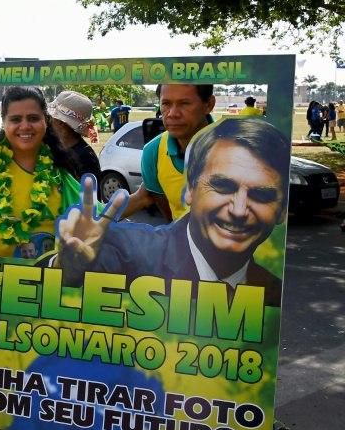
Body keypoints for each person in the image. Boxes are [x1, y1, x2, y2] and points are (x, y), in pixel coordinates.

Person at [57, 117, 287, 307]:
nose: (239, 210)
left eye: (261, 195)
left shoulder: (271, 295)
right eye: (223, 186)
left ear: (282, 210)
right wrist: (66, 268)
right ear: (189, 190)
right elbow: (56, 286)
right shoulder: (129, 250)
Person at [0, 85, 82, 258]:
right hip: (0, 281)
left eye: (33, 118)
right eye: (15, 119)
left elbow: (96, 215)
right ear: (4, 123)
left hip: (51, 279)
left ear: (46, 120)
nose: (25, 126)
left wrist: (138, 198)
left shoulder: (60, 169)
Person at [121, 84, 215, 221]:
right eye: (166, 104)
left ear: (209, 105)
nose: (172, 114)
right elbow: (165, 214)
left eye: (185, 103)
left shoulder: (239, 148)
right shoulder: (153, 151)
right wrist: (97, 218)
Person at [47, 90, 101, 180]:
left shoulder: (85, 159)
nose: (49, 121)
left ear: (62, 123)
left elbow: (89, 194)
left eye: (52, 117)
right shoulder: (55, 146)